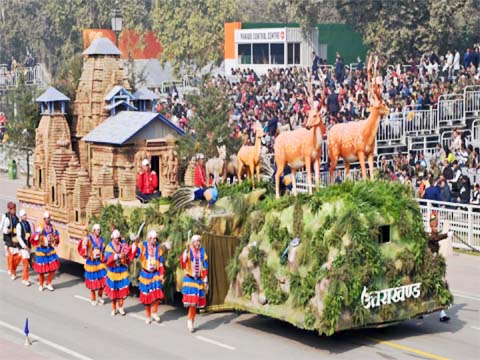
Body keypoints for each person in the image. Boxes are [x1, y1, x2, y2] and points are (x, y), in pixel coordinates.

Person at [134, 230, 165, 324]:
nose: (155, 240)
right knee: (147, 296)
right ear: (149, 238)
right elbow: (135, 253)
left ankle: (154, 312)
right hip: (146, 274)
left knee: (157, 294)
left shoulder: (158, 248)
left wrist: (162, 274)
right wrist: (135, 242)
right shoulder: (143, 246)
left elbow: (161, 263)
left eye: (156, 238)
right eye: (153, 238)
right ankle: (148, 316)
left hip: (155, 274)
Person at [180, 234, 208, 332]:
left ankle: (191, 319)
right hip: (189, 279)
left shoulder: (203, 252)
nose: (198, 243)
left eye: (199, 241)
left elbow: (205, 267)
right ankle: (190, 321)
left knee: (195, 303)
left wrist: (205, 280)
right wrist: (186, 250)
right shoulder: (188, 251)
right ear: (192, 242)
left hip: (198, 280)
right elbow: (183, 261)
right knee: (192, 302)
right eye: (196, 241)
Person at [104, 229, 136, 316]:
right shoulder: (109, 247)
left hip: (122, 271)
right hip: (113, 272)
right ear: (112, 238)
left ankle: (121, 307)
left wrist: (133, 247)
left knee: (122, 292)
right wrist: (117, 256)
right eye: (116, 238)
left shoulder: (123, 245)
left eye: (118, 238)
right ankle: (114, 308)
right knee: (114, 292)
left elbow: (129, 255)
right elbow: (107, 259)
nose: (118, 240)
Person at [427, 213, 450, 322]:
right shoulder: (428, 234)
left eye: (436, 224)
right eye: (434, 224)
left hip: (435, 264)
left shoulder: (434, 234)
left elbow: (436, 237)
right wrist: (446, 235)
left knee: (439, 285)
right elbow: (434, 239)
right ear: (431, 224)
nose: (436, 226)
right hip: (428, 266)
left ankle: (442, 313)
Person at [78, 224, 107, 306]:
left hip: (99, 262)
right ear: (94, 230)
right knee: (92, 282)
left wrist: (105, 257)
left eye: (99, 230)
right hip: (91, 262)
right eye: (97, 230)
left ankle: (100, 296)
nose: (99, 231)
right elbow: (83, 247)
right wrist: (84, 240)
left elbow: (103, 250)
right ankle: (93, 298)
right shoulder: (89, 239)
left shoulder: (101, 240)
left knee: (103, 280)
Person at [32, 211, 60, 291]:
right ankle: (41, 284)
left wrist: (55, 238)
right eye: (46, 218)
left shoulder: (52, 227)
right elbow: (35, 235)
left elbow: (57, 235)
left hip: (50, 250)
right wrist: (38, 235)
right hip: (42, 250)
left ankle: (48, 282)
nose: (48, 220)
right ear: (44, 219)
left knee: (53, 268)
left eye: (49, 218)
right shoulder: (41, 226)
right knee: (41, 270)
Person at [1, 202, 20, 279]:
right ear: (9, 209)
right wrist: (10, 230)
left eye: (15, 209)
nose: (14, 211)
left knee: (17, 255)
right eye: (12, 209)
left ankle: (12, 268)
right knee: (10, 256)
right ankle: (12, 271)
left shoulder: (16, 218)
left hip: (15, 239)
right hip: (8, 239)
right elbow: (4, 229)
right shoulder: (6, 218)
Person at [15, 209, 32, 286]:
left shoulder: (28, 224)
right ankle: (26, 279)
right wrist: (24, 246)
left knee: (26, 263)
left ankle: (23, 278)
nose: (25, 216)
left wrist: (30, 244)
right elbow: (19, 237)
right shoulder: (19, 225)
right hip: (23, 247)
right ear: (21, 216)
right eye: (24, 215)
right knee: (25, 263)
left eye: (26, 215)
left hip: (28, 246)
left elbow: (29, 234)